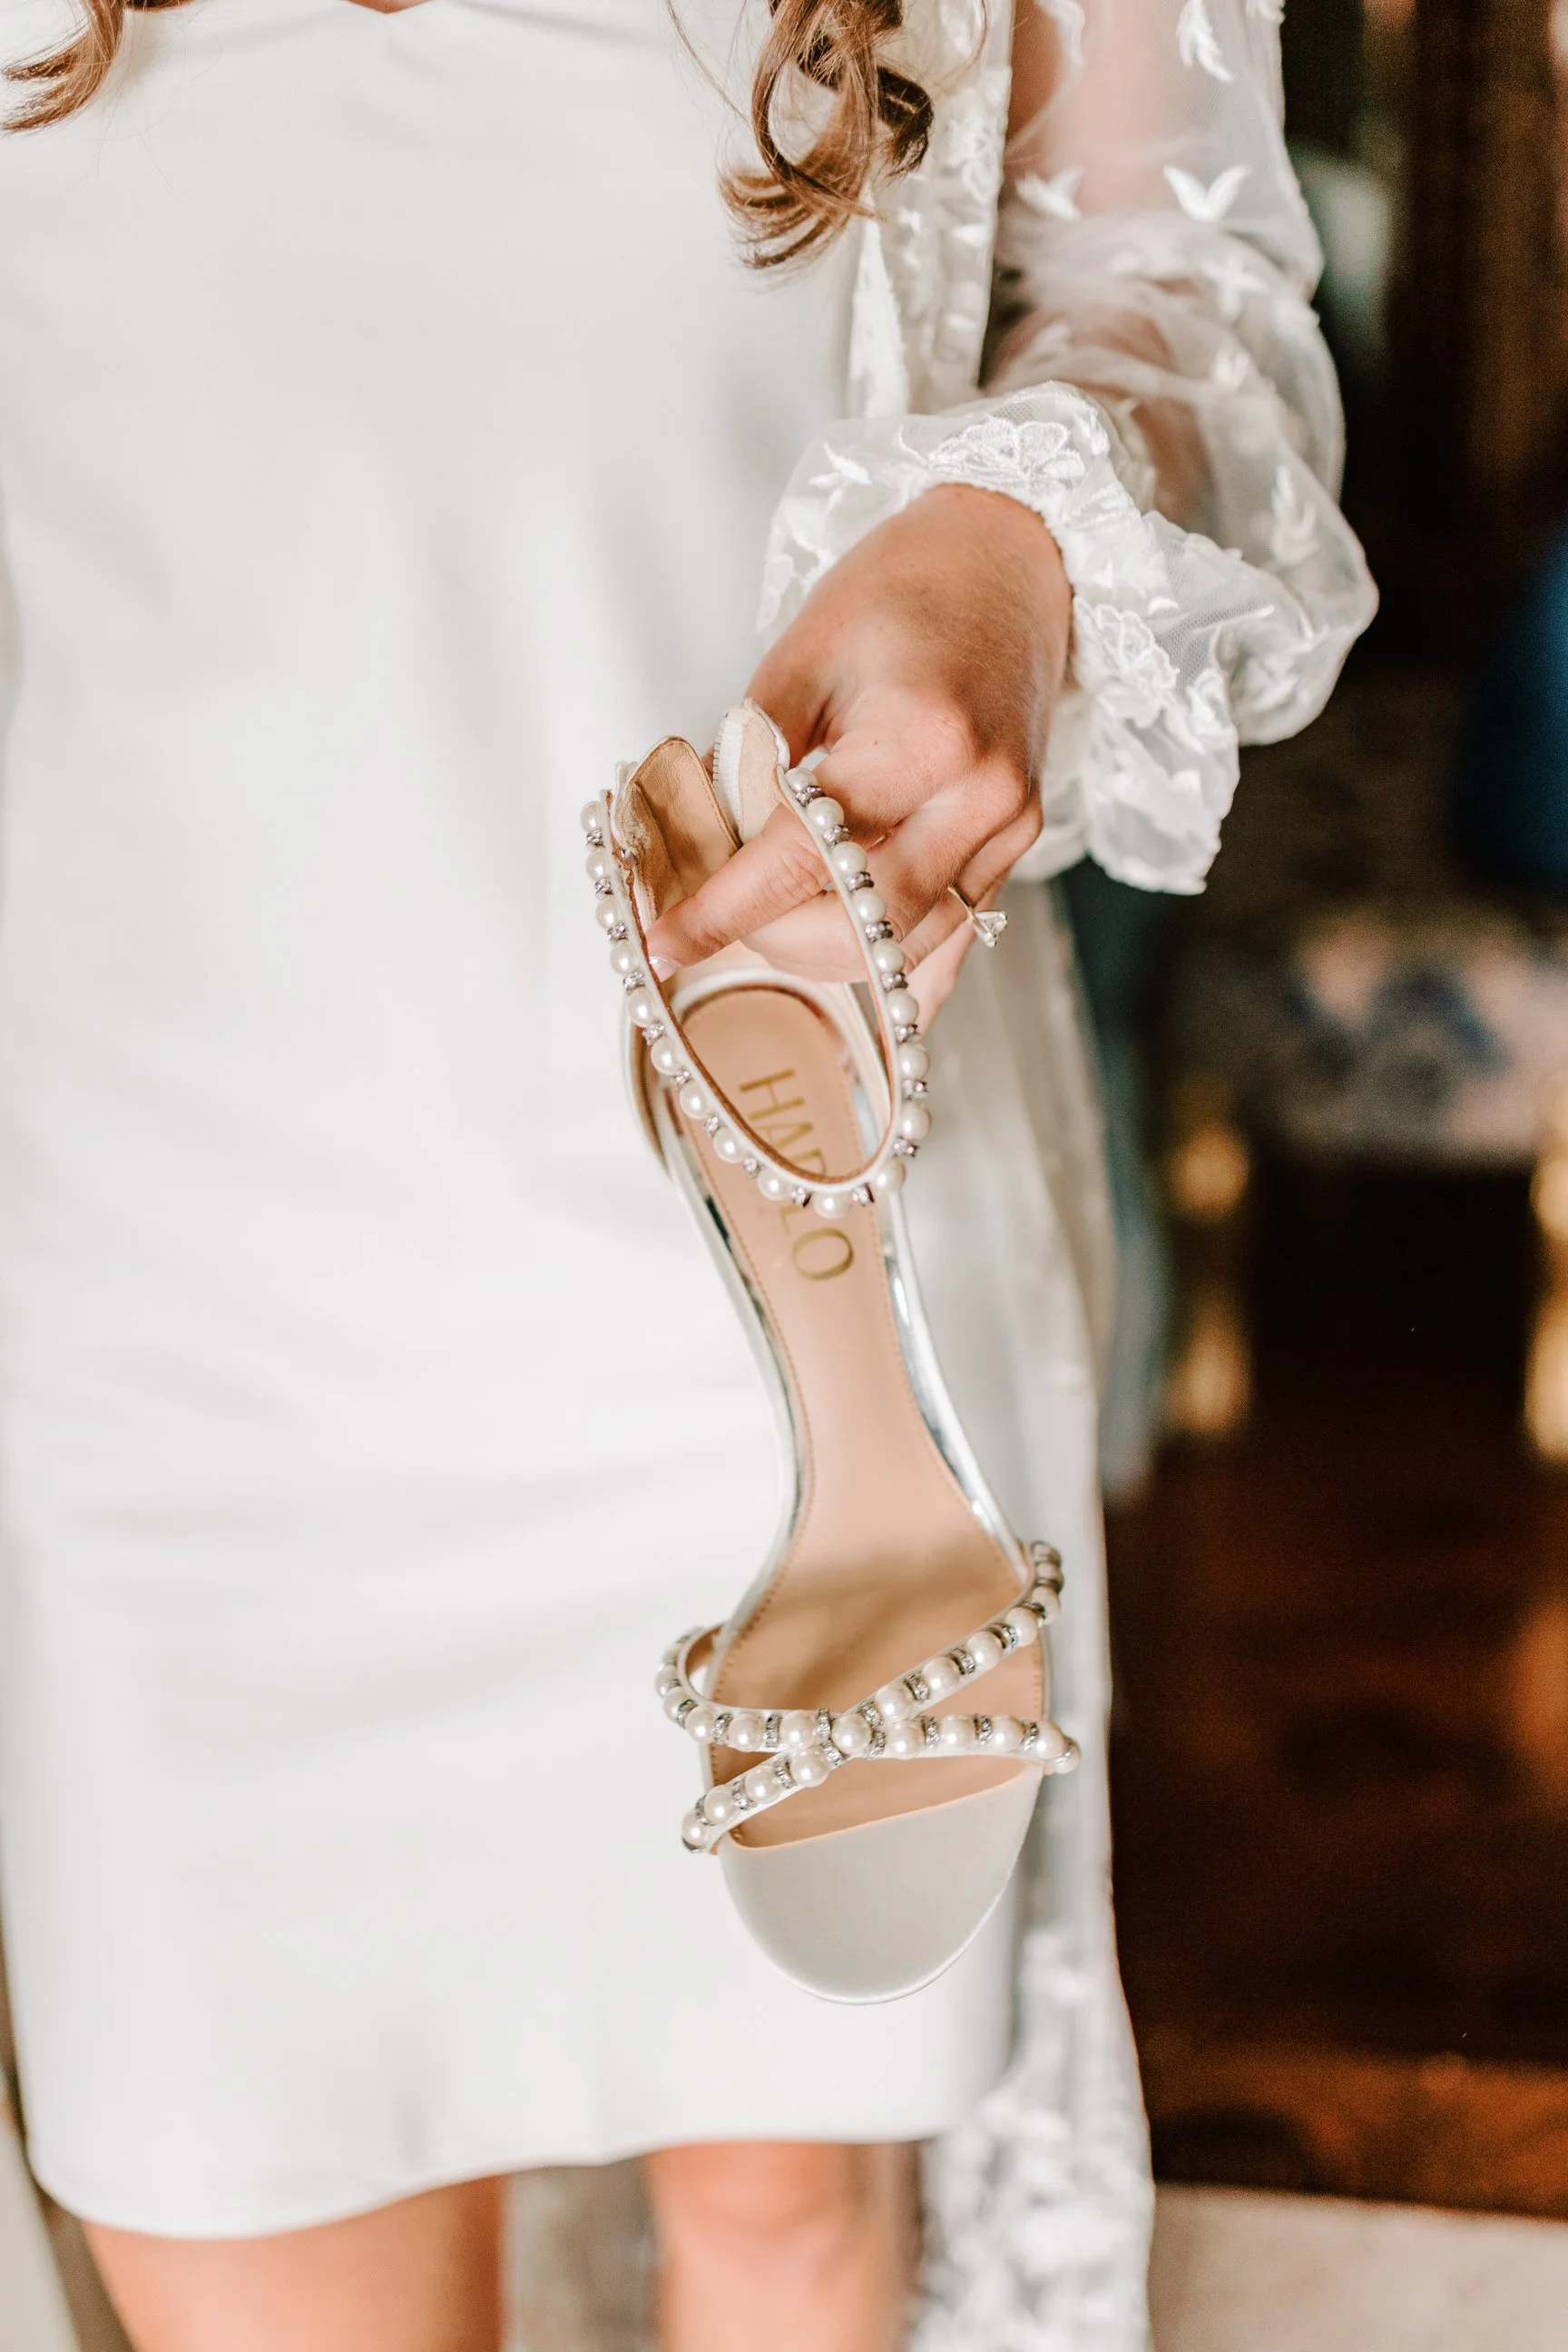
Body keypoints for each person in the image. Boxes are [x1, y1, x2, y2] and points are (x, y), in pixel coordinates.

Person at [0, 0, 1373, 2343]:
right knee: (242, 2195)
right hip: (146, 1276)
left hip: (786, 1233)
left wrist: (1012, 543)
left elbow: (1186, 275)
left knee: (790, 2209)